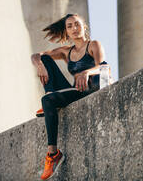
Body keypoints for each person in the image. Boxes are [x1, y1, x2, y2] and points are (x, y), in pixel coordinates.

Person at [31, 13, 110, 180]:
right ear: (66, 31)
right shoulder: (66, 51)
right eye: (69, 26)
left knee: (47, 102)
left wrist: (86, 72)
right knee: (45, 59)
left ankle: (52, 154)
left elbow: (105, 69)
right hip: (77, 92)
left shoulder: (93, 44)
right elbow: (36, 55)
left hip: (94, 87)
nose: (74, 28)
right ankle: (51, 96)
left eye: (77, 24)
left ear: (84, 27)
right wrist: (40, 65)